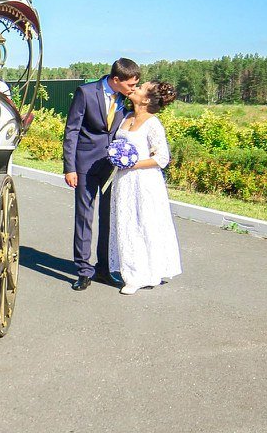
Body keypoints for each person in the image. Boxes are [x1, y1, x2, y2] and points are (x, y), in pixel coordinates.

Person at [63, 58, 140, 291]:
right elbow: (72, 130)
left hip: (111, 167)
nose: (134, 89)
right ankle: (84, 271)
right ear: (116, 80)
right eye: (131, 85)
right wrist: (70, 167)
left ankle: (104, 269)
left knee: (108, 218)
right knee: (84, 217)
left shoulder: (125, 99)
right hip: (84, 165)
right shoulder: (85, 93)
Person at [109, 80, 182, 294]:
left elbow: (162, 158)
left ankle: (142, 274)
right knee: (127, 223)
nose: (136, 88)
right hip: (124, 180)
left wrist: (131, 163)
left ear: (147, 99)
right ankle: (132, 270)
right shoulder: (127, 117)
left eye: (141, 88)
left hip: (145, 180)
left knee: (146, 223)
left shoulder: (152, 123)